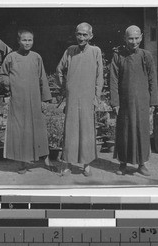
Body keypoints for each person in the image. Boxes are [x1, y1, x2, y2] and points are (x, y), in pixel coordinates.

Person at [0, 28, 56, 174]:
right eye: (24, 40)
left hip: (34, 100)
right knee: (20, 131)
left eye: (30, 40)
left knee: (39, 130)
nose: (27, 43)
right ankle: (22, 163)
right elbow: (3, 75)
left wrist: (46, 98)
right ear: (18, 41)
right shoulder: (11, 57)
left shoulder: (36, 57)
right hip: (18, 101)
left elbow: (42, 77)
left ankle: (46, 160)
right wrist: (10, 85)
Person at [110, 25, 158, 176]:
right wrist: (115, 102)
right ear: (125, 38)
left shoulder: (146, 55)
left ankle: (142, 164)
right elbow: (113, 80)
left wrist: (153, 102)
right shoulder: (118, 56)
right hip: (124, 103)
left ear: (142, 37)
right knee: (124, 132)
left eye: (137, 38)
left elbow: (152, 80)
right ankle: (123, 164)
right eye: (130, 38)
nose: (133, 41)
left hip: (143, 102)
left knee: (142, 132)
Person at [56, 22, 104, 177]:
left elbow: (100, 76)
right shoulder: (70, 51)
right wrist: (65, 88)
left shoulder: (95, 51)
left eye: (85, 35)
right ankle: (68, 164)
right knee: (70, 130)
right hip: (72, 97)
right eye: (79, 34)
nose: (81, 38)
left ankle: (86, 165)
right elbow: (59, 70)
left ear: (90, 36)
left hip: (88, 97)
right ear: (75, 35)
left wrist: (96, 97)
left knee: (87, 131)